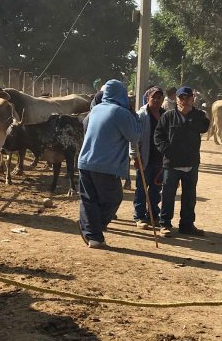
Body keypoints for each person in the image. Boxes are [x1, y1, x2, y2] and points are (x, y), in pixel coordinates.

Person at [77, 80, 142, 248]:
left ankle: (93, 234)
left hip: (85, 161)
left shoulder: (96, 109)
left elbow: (85, 125)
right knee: (113, 198)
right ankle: (92, 228)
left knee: (89, 199)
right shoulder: (120, 112)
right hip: (105, 164)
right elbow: (135, 136)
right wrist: (133, 115)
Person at [153, 86, 210, 237]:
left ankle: (187, 225)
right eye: (181, 98)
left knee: (189, 197)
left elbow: (205, 127)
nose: (184, 101)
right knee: (168, 196)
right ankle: (164, 225)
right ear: (176, 99)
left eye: (187, 98)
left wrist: (192, 115)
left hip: (191, 163)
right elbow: (158, 136)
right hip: (171, 164)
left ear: (193, 99)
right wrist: (167, 150)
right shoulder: (168, 116)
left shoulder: (198, 116)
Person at [131, 86, 165, 229]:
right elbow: (134, 138)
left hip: (160, 159)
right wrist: (135, 156)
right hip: (144, 157)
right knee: (141, 188)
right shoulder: (141, 115)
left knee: (156, 190)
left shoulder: (166, 115)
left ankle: (153, 216)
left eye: (159, 98)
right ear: (147, 98)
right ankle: (139, 217)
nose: (156, 100)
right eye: (153, 97)